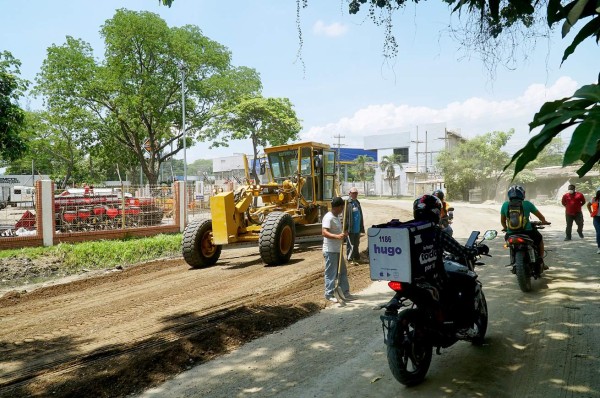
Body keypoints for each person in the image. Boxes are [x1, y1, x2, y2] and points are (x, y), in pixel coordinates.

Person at [413, 194, 474, 287]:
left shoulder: (409, 230)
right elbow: (459, 250)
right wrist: (474, 251)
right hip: (432, 276)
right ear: (436, 212)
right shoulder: (436, 231)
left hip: (410, 275)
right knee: (465, 282)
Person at [500, 185, 550, 269]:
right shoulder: (527, 204)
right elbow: (540, 217)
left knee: (510, 245)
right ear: (522, 194)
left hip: (511, 233)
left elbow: (502, 221)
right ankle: (541, 260)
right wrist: (544, 221)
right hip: (528, 232)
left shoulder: (505, 205)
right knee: (540, 239)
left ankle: (513, 260)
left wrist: (505, 227)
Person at [322, 196, 350, 303]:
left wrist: (344, 234)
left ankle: (345, 292)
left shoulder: (337, 217)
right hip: (330, 250)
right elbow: (324, 232)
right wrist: (337, 236)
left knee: (342, 271)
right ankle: (329, 294)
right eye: (342, 207)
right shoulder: (328, 217)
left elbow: (339, 232)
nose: (342, 209)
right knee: (331, 273)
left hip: (338, 250)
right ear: (338, 207)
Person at [344, 187, 365, 264]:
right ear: (349, 194)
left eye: (356, 193)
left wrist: (361, 227)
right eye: (353, 193)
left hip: (357, 228)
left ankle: (356, 257)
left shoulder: (357, 203)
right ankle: (350, 259)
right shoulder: (348, 204)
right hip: (351, 228)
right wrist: (345, 228)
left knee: (356, 244)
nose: (355, 194)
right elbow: (345, 217)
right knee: (351, 244)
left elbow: (360, 215)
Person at [586, 188, 600, 254]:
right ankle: (599, 247)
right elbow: (588, 205)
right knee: (599, 233)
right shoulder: (594, 199)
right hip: (596, 218)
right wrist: (591, 212)